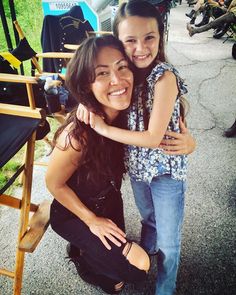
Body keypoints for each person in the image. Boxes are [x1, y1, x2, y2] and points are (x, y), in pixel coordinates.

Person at [76, 1, 196, 295]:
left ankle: (165, 288)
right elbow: (91, 81)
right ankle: (149, 245)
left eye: (149, 38)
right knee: (148, 218)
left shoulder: (164, 77)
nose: (140, 48)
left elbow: (154, 137)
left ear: (160, 37)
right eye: (130, 40)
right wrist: (84, 101)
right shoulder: (124, 75)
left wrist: (103, 129)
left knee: (170, 241)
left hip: (167, 170)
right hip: (140, 170)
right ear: (119, 42)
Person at [46, 35, 150, 295]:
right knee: (137, 268)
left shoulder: (131, 113)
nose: (117, 80)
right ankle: (84, 261)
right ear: (86, 84)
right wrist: (91, 220)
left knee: (121, 269)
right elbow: (53, 183)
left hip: (109, 199)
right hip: (72, 213)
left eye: (121, 66)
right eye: (102, 73)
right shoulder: (77, 135)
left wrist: (188, 143)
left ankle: (88, 249)